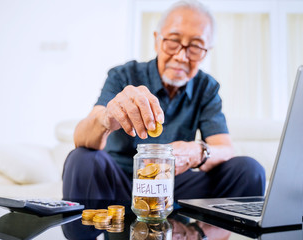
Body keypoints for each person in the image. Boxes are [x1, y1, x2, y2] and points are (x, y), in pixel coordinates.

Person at [62, 0, 265, 200]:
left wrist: (198, 150)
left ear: (206, 52)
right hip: (119, 183)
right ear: (157, 40)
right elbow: (81, 137)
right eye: (173, 41)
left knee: (248, 170)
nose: (181, 56)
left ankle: (216, 232)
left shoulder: (207, 87)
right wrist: (106, 118)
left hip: (172, 185)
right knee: (81, 158)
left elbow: (226, 149)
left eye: (195, 46)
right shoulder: (122, 75)